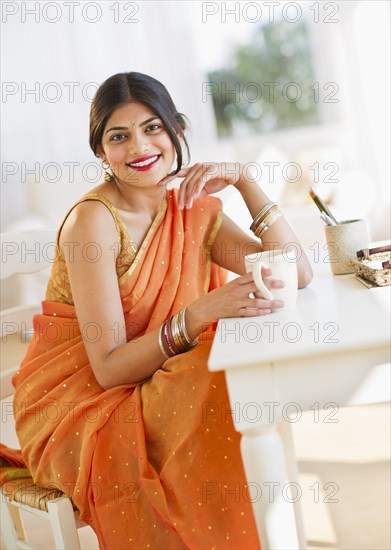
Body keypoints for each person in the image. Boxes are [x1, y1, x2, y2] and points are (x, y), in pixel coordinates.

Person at [3, 72, 313, 549]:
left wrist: (247, 182)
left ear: (177, 133)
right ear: (100, 152)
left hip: (155, 382)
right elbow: (108, 370)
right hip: (78, 410)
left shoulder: (192, 208)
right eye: (118, 136)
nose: (139, 147)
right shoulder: (94, 223)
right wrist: (199, 313)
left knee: (228, 371)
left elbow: (296, 272)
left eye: (152, 128)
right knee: (215, 377)